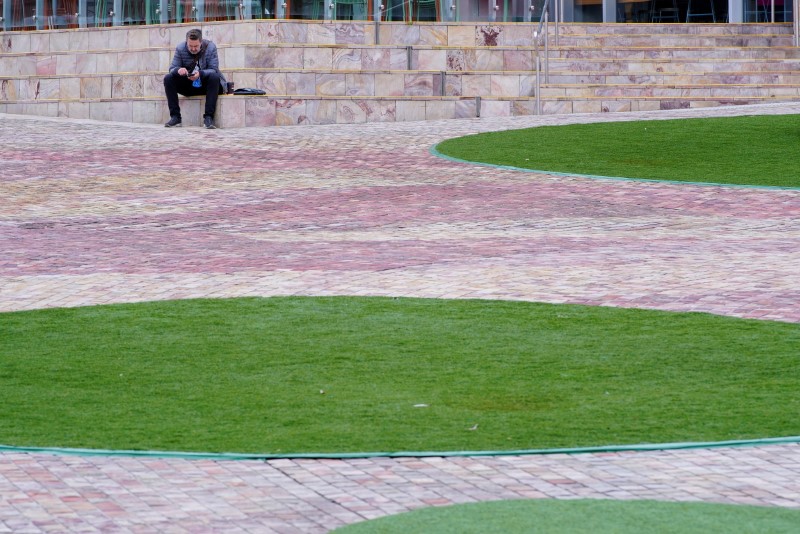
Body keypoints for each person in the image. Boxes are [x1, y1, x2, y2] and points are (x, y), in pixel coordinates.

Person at [163, 28, 227, 129]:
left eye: (196, 46)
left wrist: (200, 74)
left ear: (201, 42)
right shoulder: (180, 48)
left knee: (214, 77)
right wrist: (179, 70)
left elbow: (214, 69)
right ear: (186, 42)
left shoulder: (210, 47)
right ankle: (175, 117)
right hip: (189, 84)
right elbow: (172, 68)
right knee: (168, 78)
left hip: (206, 84)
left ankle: (208, 117)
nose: (193, 49)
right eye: (190, 46)